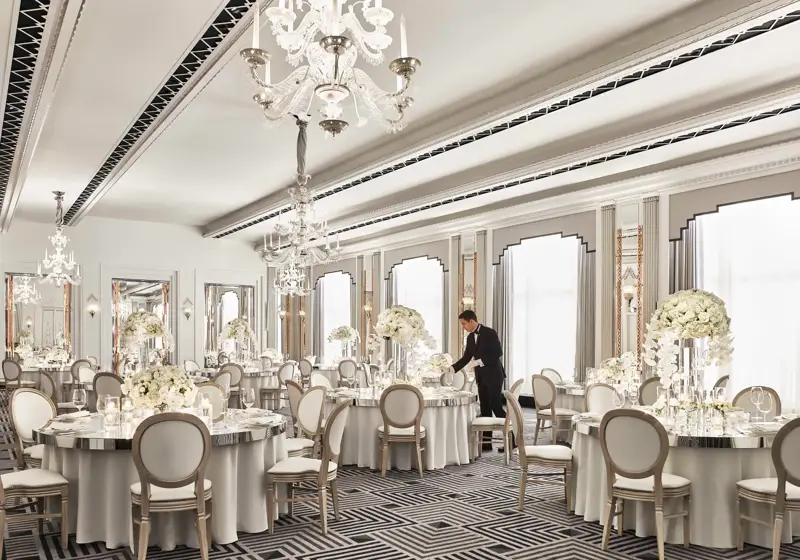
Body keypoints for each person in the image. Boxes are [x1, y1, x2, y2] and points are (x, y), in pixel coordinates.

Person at [450, 310, 514, 452]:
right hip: (481, 377)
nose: (463, 327)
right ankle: (486, 443)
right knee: (485, 408)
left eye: (464, 324)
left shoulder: (489, 332)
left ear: (471, 321)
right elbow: (466, 357)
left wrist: (480, 362)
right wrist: (451, 369)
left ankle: (512, 440)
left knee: (496, 406)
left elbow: (498, 352)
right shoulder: (470, 338)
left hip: (494, 375)